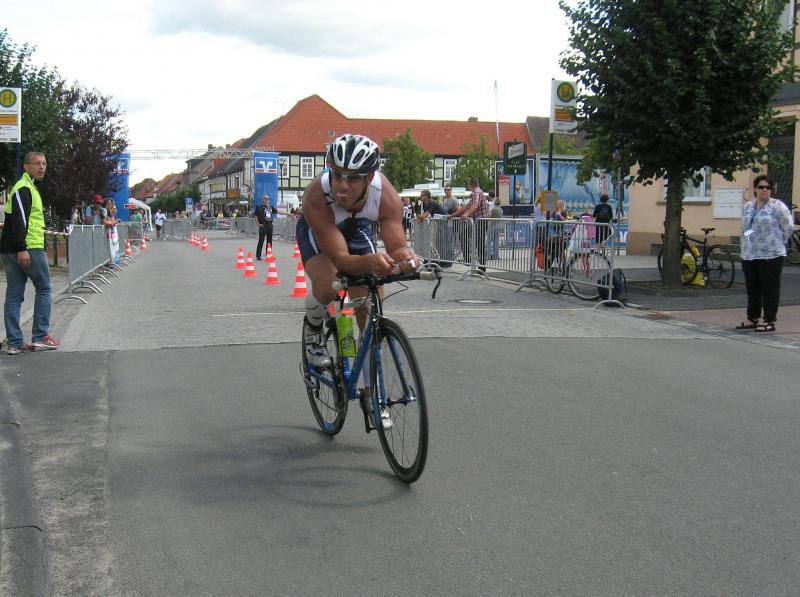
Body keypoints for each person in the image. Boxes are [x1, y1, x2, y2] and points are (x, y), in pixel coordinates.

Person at [296, 134, 417, 424]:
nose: (342, 185)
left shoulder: (385, 195)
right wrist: (372, 262)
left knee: (369, 308)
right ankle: (313, 328)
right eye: (337, 174)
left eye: (352, 178)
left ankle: (369, 391)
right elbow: (340, 260)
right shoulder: (317, 195)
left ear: (370, 177)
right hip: (319, 230)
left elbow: (397, 246)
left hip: (355, 226)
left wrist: (405, 258)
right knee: (328, 283)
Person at [1, 152, 60, 354]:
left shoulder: (27, 187)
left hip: (14, 249)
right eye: (37, 163)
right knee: (44, 288)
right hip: (28, 248)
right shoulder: (24, 188)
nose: (42, 167)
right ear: (26, 166)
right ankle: (40, 336)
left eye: (44, 163)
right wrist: (22, 248)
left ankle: (14, 342)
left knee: (14, 294)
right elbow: (21, 219)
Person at [737, 175, 794, 332]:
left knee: (770, 287)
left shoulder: (777, 206)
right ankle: (752, 318)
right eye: (761, 187)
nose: (764, 190)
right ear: (755, 189)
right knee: (752, 287)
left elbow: (789, 227)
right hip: (750, 253)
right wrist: (747, 238)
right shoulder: (749, 206)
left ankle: (769, 320)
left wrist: (778, 240)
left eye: (767, 187)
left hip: (771, 254)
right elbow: (746, 227)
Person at [449, 177, 490, 271]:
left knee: (479, 243)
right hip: (477, 222)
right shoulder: (475, 194)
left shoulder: (477, 192)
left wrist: (466, 214)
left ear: (471, 185)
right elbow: (465, 207)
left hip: (481, 222)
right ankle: (468, 259)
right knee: (464, 235)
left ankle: (481, 267)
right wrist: (452, 215)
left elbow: (475, 205)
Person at [255, 195, 277, 260]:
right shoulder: (259, 207)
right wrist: (258, 224)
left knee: (269, 241)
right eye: (266, 199)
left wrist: (289, 214)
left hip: (269, 225)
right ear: (263, 199)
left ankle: (268, 254)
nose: (267, 200)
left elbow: (278, 211)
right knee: (261, 241)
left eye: (268, 199)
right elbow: (255, 215)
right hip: (263, 225)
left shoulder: (270, 207)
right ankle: (258, 256)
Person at [487, 192, 503, 260]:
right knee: (496, 241)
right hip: (498, 225)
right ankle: (496, 255)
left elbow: (489, 216)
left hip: (492, 225)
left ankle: (488, 255)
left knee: (489, 241)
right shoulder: (501, 209)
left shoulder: (493, 209)